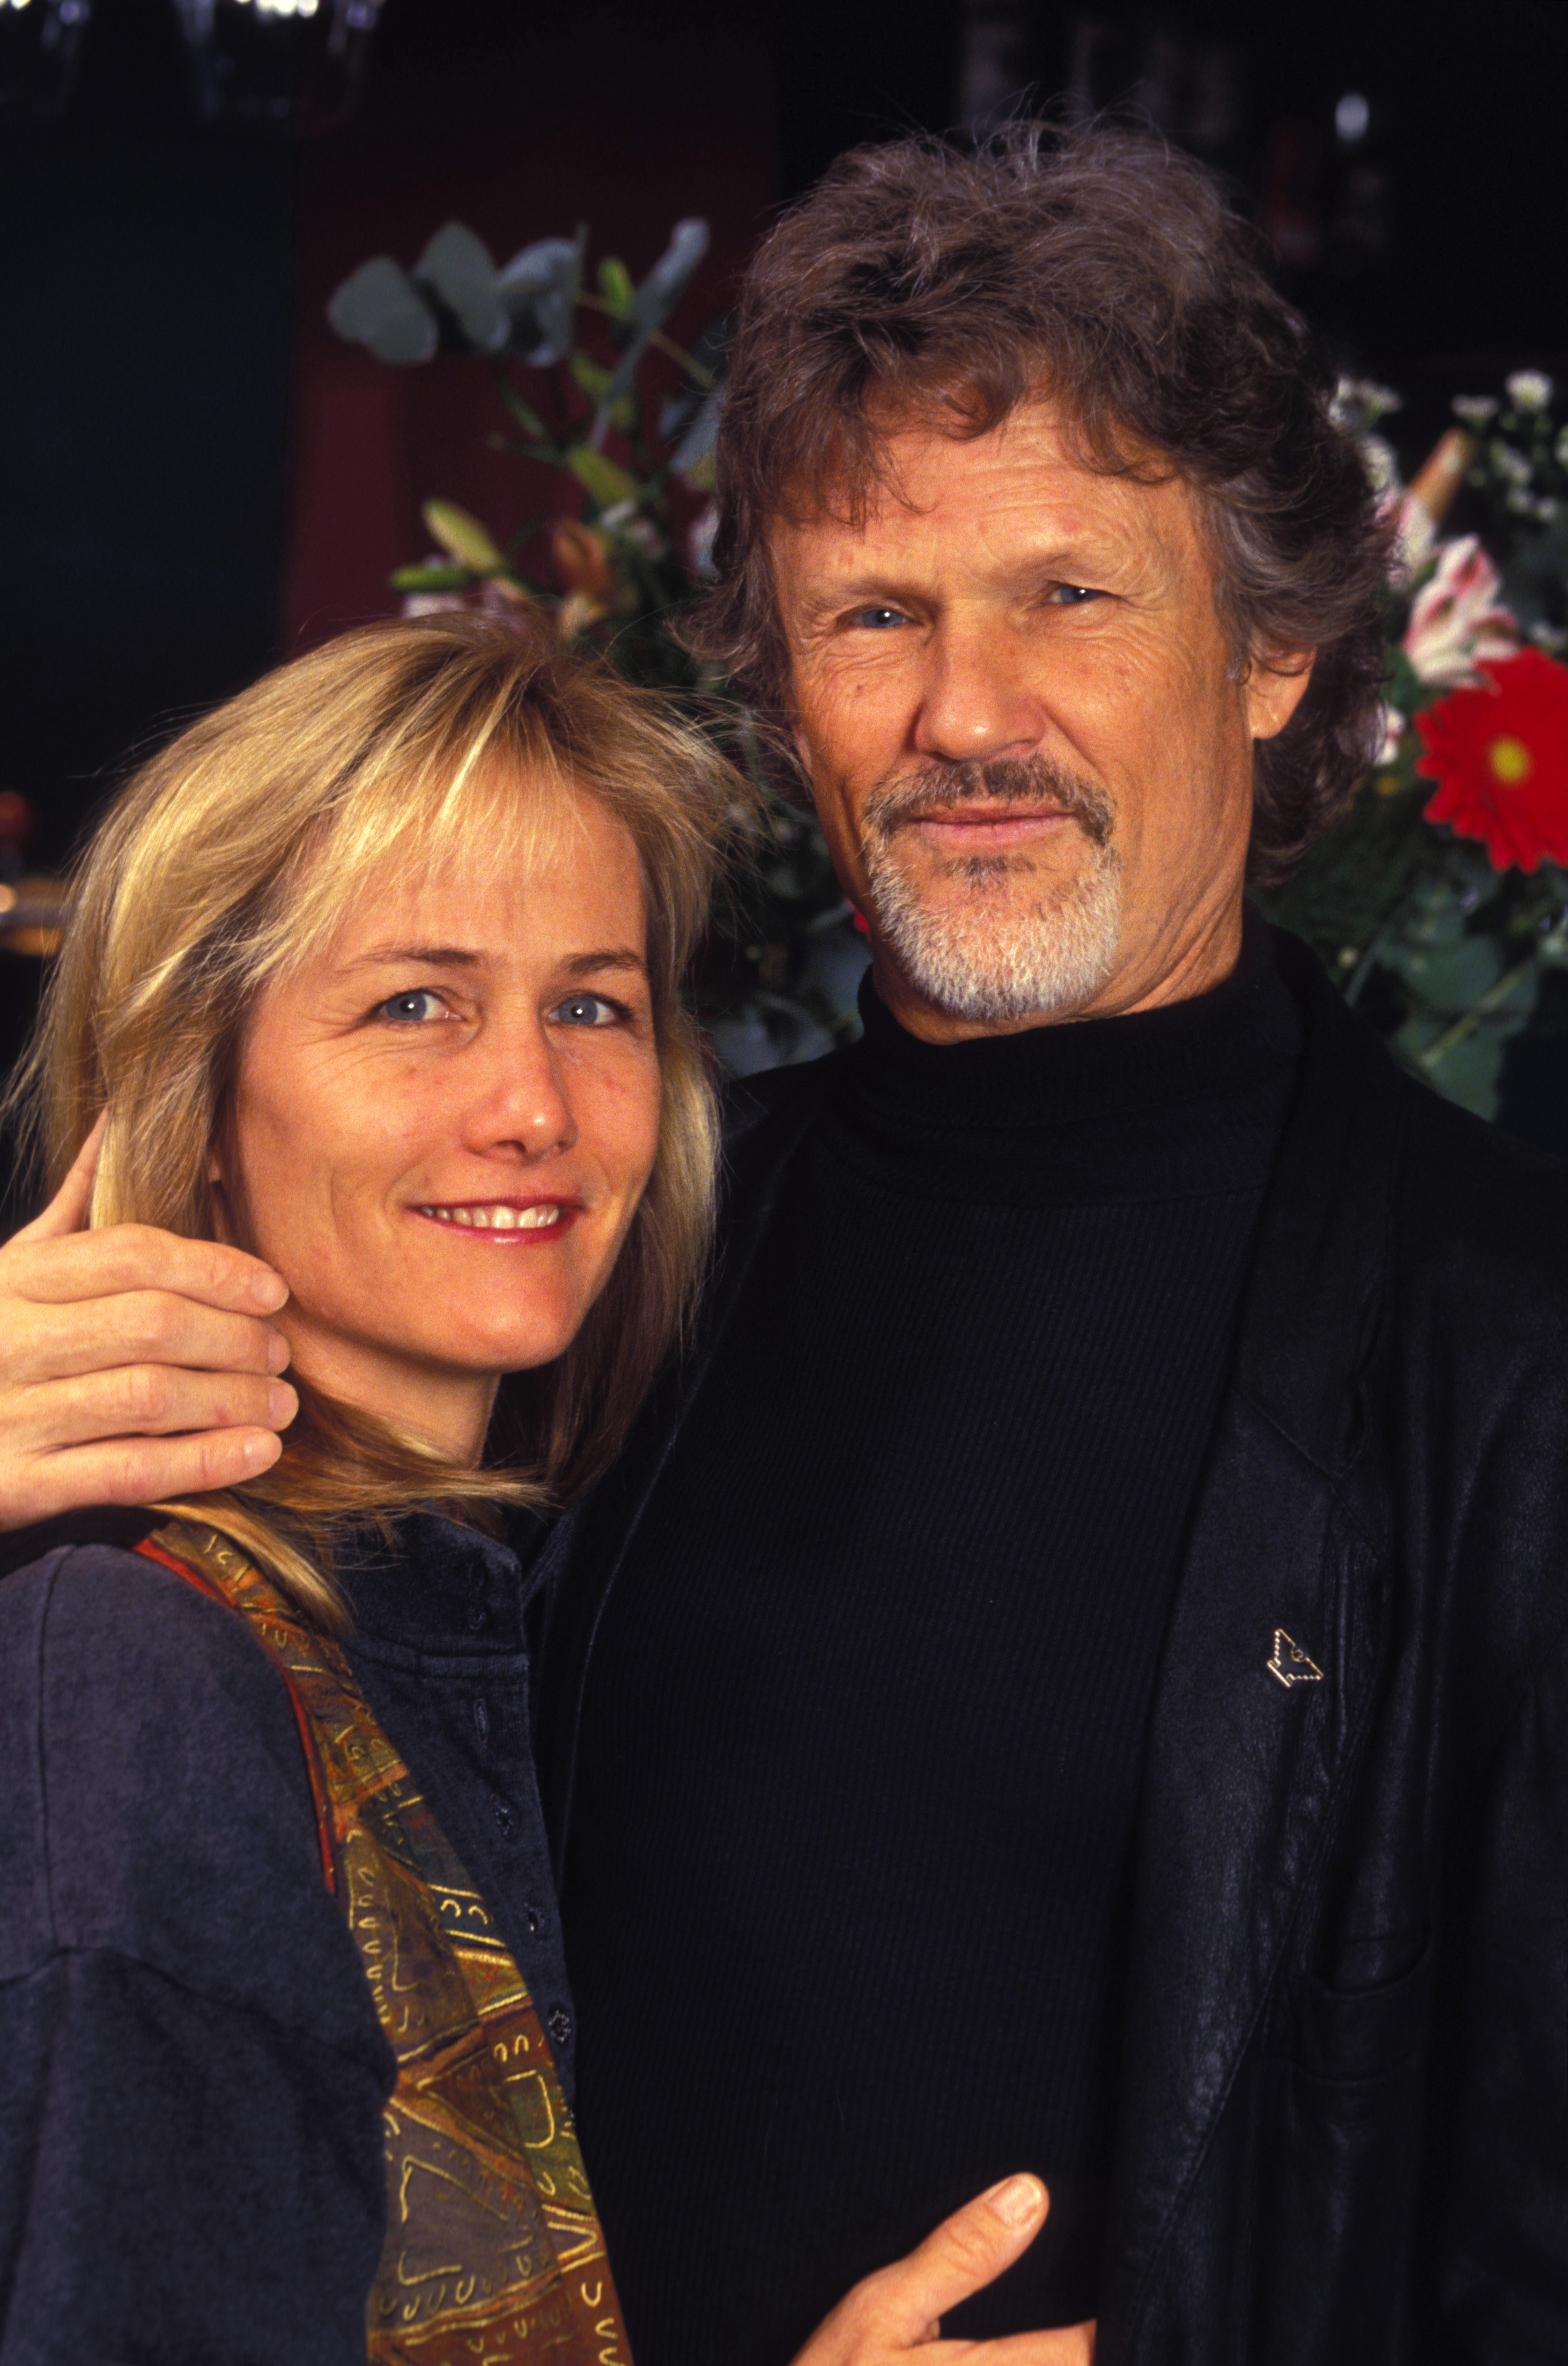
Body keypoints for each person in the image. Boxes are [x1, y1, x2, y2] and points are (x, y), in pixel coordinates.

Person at [3, 122, 1565, 2362]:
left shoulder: (1509, 1364)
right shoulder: (599, 1245)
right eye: (872, 613)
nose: (963, 713)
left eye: (1067, 593)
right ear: (783, 688)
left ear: (1275, 658)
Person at [0, 611, 1091, 2364]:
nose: (532, 1105)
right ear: (201, 1087)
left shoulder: (499, 1601)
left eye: (592, 1002)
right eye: (414, 1003)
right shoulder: (140, 1670)